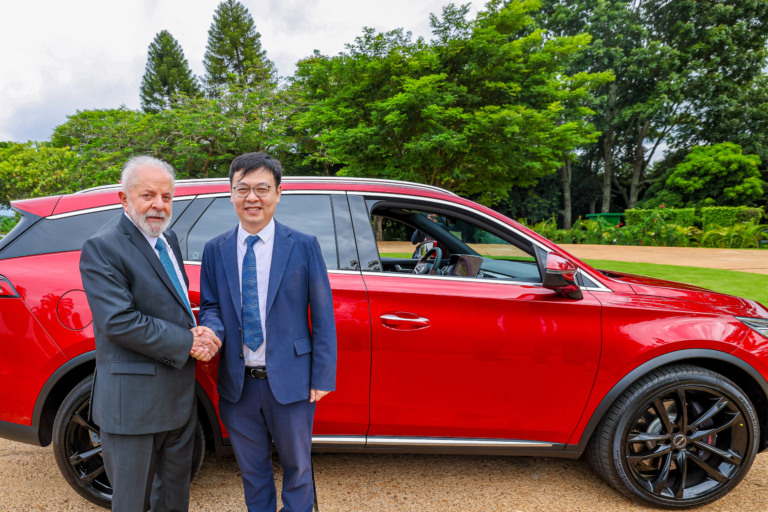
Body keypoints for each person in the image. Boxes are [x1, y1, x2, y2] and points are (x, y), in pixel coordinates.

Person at [79, 156, 221, 512]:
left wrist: (198, 330)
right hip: (133, 407)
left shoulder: (166, 237)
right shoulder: (103, 246)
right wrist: (188, 341)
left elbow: (170, 303)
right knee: (132, 503)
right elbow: (120, 321)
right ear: (124, 198)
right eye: (148, 195)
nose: (159, 205)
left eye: (167, 197)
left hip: (178, 400)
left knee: (174, 499)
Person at [199, 152, 337, 512]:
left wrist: (322, 376)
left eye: (262, 188)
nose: (252, 198)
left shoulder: (303, 245)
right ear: (231, 194)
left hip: (291, 381)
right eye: (242, 189)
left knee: (298, 469)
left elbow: (322, 315)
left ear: (278, 193)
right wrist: (211, 332)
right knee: (253, 471)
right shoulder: (215, 249)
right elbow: (212, 306)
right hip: (238, 383)